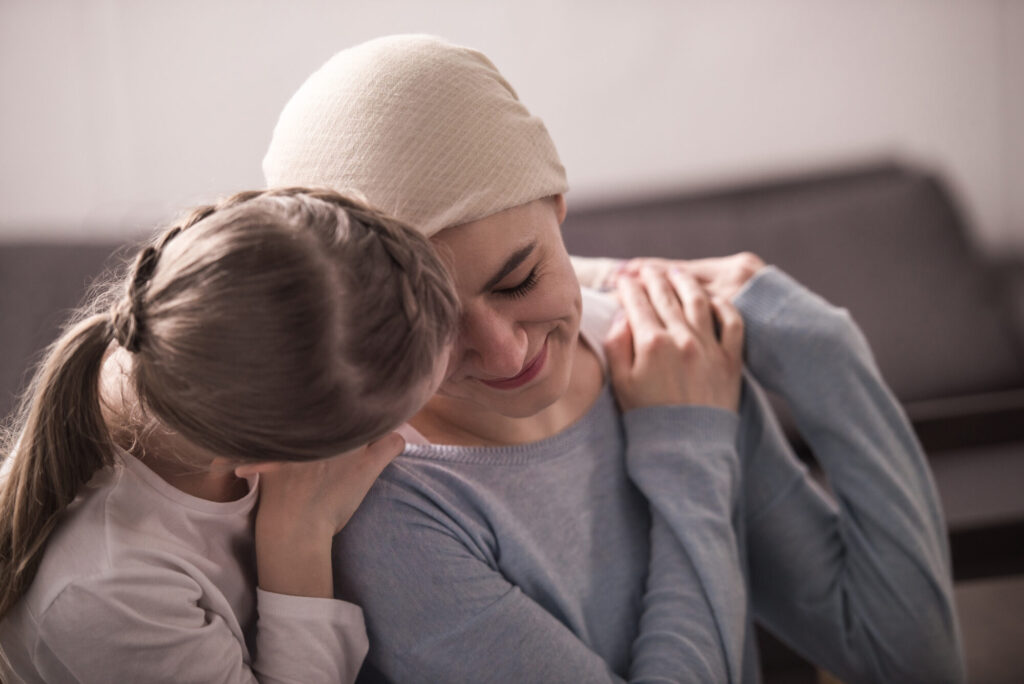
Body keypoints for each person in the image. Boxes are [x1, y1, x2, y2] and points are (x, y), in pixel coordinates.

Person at [263, 35, 965, 683]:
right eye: (431, 326)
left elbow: (905, 657)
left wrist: (818, 341)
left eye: (520, 279)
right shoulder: (397, 508)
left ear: (559, 202)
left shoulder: (669, 356)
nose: (505, 351)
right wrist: (687, 449)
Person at [0, 187, 459, 683]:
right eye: (380, 429)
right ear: (273, 454)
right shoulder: (106, 590)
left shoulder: (204, 362)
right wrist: (297, 538)